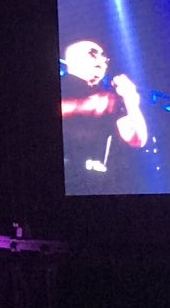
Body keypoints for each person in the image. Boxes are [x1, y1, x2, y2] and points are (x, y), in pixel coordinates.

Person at [60, 39, 148, 194]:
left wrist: (131, 100)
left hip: (97, 185)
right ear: (72, 59)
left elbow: (137, 139)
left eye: (104, 57)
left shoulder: (109, 99)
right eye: (93, 54)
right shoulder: (62, 88)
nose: (102, 60)